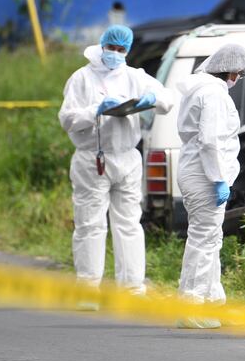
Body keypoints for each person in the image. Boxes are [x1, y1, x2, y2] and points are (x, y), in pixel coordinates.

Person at [59, 25, 175, 304]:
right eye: (111, 48)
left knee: (129, 224)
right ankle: (88, 290)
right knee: (90, 224)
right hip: (92, 159)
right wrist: (95, 110)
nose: (115, 53)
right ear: (102, 45)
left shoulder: (134, 76)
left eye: (121, 50)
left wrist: (151, 100)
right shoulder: (81, 78)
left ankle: (132, 289)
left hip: (127, 157)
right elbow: (67, 119)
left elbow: (168, 98)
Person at [175, 42, 245, 329]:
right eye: (239, 74)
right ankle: (191, 307)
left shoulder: (201, 89)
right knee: (203, 241)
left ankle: (210, 300)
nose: (238, 79)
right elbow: (210, 141)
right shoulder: (213, 94)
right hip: (205, 176)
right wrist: (218, 179)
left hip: (198, 171)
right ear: (230, 70)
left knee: (209, 239)